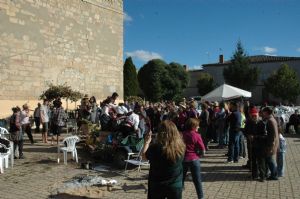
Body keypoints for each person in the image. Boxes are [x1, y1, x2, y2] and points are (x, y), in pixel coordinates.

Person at [142, 120, 186, 199]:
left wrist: (147, 142)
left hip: (157, 184)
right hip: (175, 184)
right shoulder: (181, 147)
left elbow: (144, 157)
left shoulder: (155, 147)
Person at [182, 118, 206, 199]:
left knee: (180, 179)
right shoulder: (197, 135)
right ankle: (201, 197)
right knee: (197, 180)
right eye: (197, 125)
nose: (198, 127)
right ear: (193, 126)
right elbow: (203, 149)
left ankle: (178, 194)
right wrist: (199, 155)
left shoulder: (182, 134)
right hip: (194, 159)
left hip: (183, 159)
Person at [261, 107, 279, 180]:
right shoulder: (272, 119)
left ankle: (274, 175)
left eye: (263, 112)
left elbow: (273, 135)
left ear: (266, 112)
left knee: (270, 160)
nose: (262, 114)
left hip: (271, 143)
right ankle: (271, 174)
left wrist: (271, 145)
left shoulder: (270, 121)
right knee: (269, 159)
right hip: (272, 142)